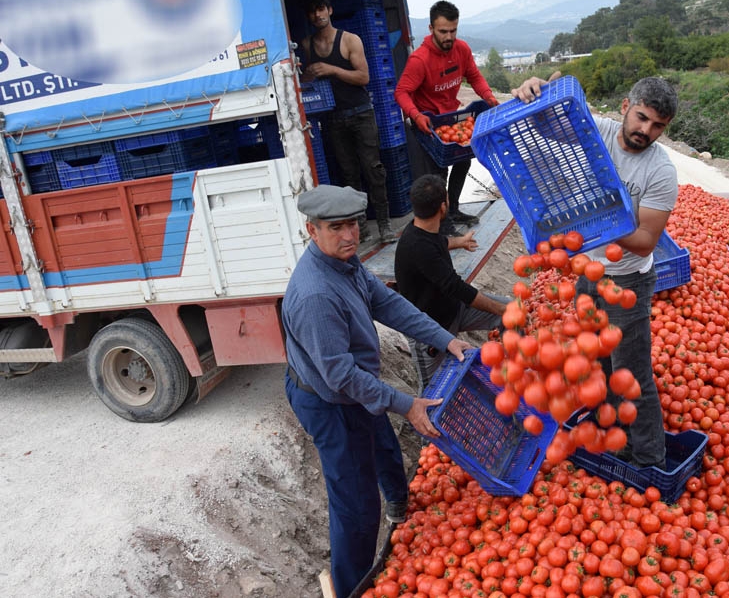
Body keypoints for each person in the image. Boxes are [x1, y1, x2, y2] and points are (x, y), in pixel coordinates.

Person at [282, 184, 473, 598]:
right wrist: (406, 404)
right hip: (329, 402)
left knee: (384, 444)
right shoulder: (316, 294)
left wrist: (445, 339)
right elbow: (341, 377)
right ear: (312, 230)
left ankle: (400, 506)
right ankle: (352, 585)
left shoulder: (345, 263)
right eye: (336, 227)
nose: (349, 235)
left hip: (349, 386)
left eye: (353, 224)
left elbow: (387, 303)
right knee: (356, 505)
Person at [512, 72, 679, 471]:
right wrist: (537, 89)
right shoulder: (596, 131)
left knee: (631, 372)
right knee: (600, 362)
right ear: (625, 107)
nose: (645, 131)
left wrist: (600, 221)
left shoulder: (661, 171)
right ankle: (617, 437)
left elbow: (645, 241)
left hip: (628, 281)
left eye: (657, 126)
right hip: (588, 273)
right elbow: (545, 121)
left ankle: (650, 459)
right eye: (641, 117)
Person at [394, 0, 500, 237]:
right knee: (437, 174)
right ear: (431, 29)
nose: (449, 37)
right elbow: (401, 92)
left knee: (463, 161)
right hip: (428, 123)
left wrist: (488, 96)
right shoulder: (420, 60)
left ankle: (453, 209)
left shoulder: (462, 50)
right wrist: (416, 115)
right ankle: (442, 224)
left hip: (452, 118)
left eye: (453, 30)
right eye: (443, 31)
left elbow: (474, 76)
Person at [394, 174, 509, 390]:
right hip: (428, 331)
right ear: (442, 207)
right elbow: (457, 287)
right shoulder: (417, 247)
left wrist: (460, 242)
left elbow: (438, 242)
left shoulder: (420, 228)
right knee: (432, 391)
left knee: (510, 314)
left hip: (454, 310)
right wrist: (501, 309)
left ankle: (512, 372)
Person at [299, 0, 395, 244]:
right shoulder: (307, 46)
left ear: (330, 10)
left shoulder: (350, 40)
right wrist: (307, 74)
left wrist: (331, 69)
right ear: (308, 15)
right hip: (333, 119)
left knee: (373, 170)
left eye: (321, 9)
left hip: (361, 113)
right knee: (349, 176)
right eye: (313, 11)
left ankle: (385, 225)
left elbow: (364, 77)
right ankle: (360, 227)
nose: (318, 15)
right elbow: (305, 83)